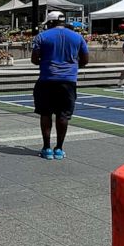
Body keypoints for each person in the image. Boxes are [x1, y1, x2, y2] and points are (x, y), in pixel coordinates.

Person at [31, 11, 89, 160]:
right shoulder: (77, 37)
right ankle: (59, 148)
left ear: (50, 22)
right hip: (68, 81)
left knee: (46, 114)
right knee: (63, 115)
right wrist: (73, 66)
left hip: (47, 79)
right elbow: (85, 59)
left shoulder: (42, 36)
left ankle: (46, 148)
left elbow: (34, 59)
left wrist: (44, 62)